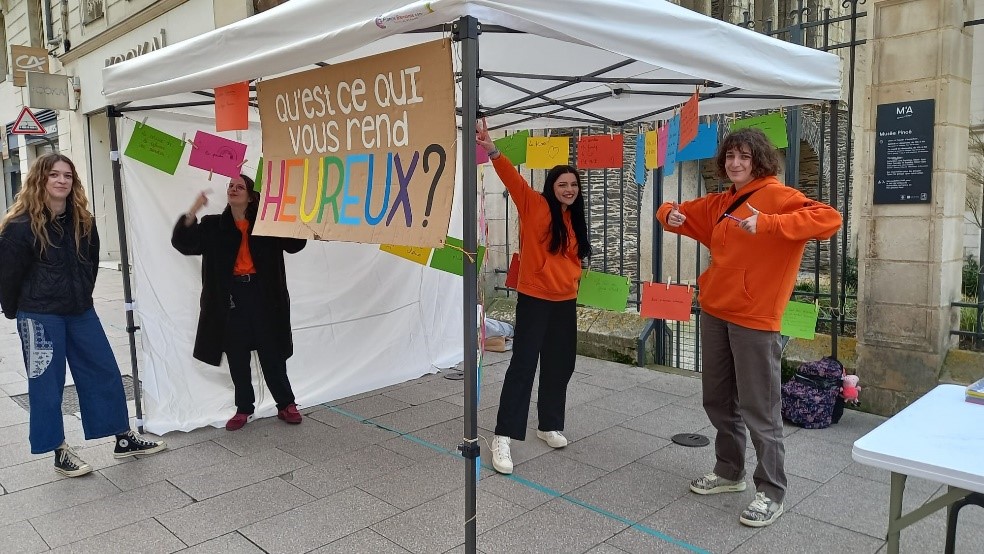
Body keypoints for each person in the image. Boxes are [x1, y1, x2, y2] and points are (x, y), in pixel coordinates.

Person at [655, 127, 842, 527]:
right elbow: (677, 211)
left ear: (759, 160)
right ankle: (728, 471)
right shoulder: (722, 202)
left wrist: (770, 225)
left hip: (756, 318)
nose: (735, 163)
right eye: (730, 157)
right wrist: (666, 214)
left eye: (743, 156)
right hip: (716, 312)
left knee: (760, 408)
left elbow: (829, 219)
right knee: (718, 399)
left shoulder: (779, 196)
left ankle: (771, 490)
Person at [0, 153, 166, 478]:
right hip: (39, 317)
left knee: (104, 371)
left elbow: (89, 263)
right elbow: (7, 276)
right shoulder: (20, 227)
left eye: (68, 176)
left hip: (80, 312)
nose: (62, 181)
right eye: (54, 175)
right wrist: (14, 312)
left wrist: (82, 297)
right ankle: (59, 451)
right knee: (46, 384)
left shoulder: (82, 221)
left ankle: (123, 437)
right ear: (40, 180)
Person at [476, 120, 592, 475]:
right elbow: (511, 179)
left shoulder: (575, 219)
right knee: (523, 366)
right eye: (563, 184)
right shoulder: (534, 205)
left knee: (560, 364)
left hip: (564, 302)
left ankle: (548, 423)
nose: (569, 189)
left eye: (573, 184)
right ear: (551, 186)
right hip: (534, 298)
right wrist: (492, 149)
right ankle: (503, 436)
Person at [172, 174, 306, 431]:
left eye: (239, 186)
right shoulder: (212, 225)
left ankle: (286, 404)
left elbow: (295, 245)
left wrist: (290, 215)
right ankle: (244, 408)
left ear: (250, 195)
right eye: (231, 186)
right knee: (237, 355)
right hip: (230, 298)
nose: (233, 189)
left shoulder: (267, 223)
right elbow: (184, 243)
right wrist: (193, 209)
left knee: (272, 352)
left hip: (264, 295)